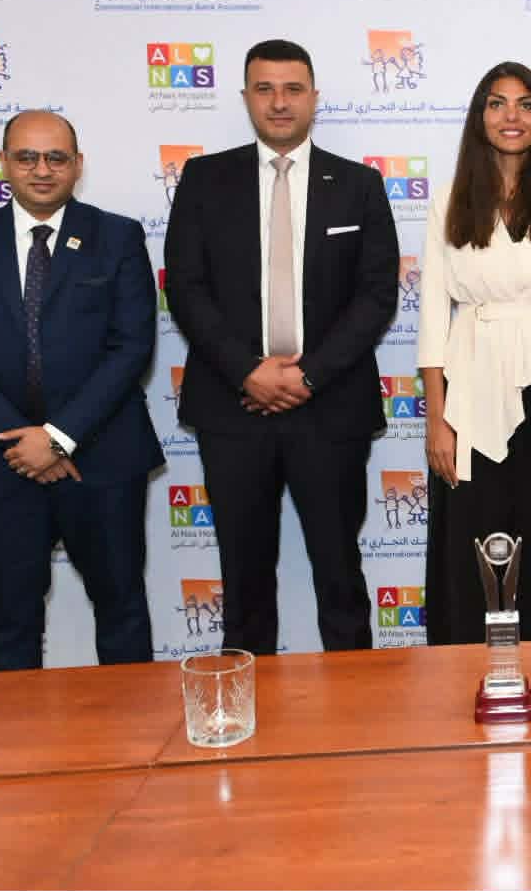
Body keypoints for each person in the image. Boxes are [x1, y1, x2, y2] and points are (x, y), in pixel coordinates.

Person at [164, 39, 399, 655]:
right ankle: (247, 706)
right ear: (245, 97)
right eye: (264, 89)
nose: (279, 102)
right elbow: (185, 288)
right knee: (242, 580)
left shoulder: (359, 185)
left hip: (331, 407)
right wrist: (248, 372)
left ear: (314, 97)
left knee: (340, 576)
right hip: (233, 407)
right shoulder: (204, 180)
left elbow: (376, 294)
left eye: (293, 89)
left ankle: (353, 703)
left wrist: (308, 375)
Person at [0, 110, 162, 671]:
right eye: (27, 157)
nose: (42, 169)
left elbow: (131, 347)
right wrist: (23, 440)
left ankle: (134, 731)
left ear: (78, 165)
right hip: (1, 463)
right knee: (10, 622)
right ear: (3, 163)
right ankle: (14, 733)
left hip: (103, 459)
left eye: (56, 157)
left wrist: (57, 438)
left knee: (122, 611)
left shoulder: (118, 237)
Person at [418, 62, 531, 644]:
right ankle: (468, 671)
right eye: (497, 104)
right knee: (470, 535)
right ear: (480, 118)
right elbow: (432, 316)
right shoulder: (449, 199)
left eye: (525, 104)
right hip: (469, 384)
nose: (511, 117)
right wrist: (437, 418)